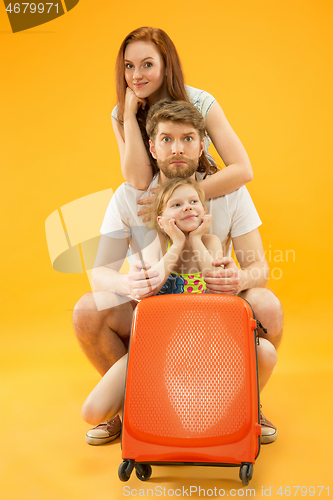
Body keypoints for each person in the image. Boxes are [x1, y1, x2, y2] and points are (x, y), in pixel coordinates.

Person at [73, 100, 283, 446]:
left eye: (187, 138)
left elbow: (259, 267)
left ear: (202, 144)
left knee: (267, 303)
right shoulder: (129, 198)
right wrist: (128, 281)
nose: (178, 148)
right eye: (167, 139)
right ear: (152, 147)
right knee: (87, 309)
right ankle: (134, 409)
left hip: (211, 328)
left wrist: (239, 279)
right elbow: (100, 274)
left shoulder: (230, 196)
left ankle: (245, 405)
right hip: (154, 328)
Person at [82, 177, 224, 425]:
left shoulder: (210, 242)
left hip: (200, 347)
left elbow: (216, 285)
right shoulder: (156, 242)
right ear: (161, 220)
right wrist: (177, 243)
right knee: (93, 412)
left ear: (204, 211)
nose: (188, 207)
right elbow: (149, 288)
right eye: (176, 205)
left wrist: (196, 239)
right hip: (154, 347)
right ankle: (134, 415)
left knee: (188, 414)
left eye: (194, 202)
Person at [112, 27, 253, 204]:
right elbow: (140, 181)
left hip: (201, 200)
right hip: (152, 208)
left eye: (147, 64)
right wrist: (130, 116)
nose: (136, 75)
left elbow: (243, 170)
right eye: (129, 66)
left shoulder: (201, 102)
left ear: (166, 66)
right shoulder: (121, 113)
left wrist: (182, 195)